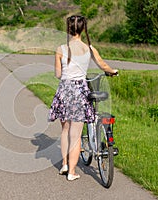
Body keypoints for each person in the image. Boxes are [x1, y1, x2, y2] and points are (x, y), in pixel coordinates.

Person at [48, 15, 118, 181]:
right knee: (76, 134)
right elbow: (103, 65)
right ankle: (72, 172)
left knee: (65, 130)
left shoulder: (60, 49)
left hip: (64, 90)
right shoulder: (89, 49)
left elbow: (58, 74)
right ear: (83, 29)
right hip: (80, 91)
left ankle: (64, 164)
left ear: (68, 29)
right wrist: (112, 71)